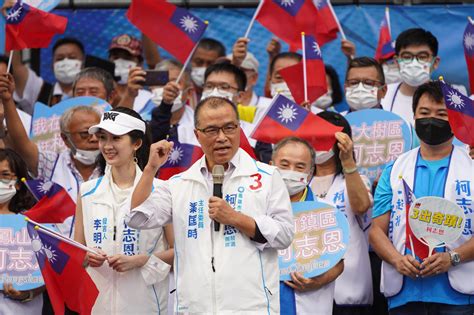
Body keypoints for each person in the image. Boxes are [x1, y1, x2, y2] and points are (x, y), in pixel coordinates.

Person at [126, 96, 294, 313]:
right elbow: (138, 218)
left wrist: (236, 219)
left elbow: (285, 235)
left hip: (250, 307)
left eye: (229, 128)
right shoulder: (180, 183)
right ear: (197, 134)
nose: (222, 137)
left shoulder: (267, 176)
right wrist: (150, 169)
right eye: (212, 130)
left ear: (239, 128)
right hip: (195, 307)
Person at [369, 81, 474, 315]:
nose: (432, 120)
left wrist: (453, 257)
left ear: (455, 119)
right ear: (414, 116)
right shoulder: (394, 169)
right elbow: (376, 230)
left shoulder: (471, 167)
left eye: (442, 114)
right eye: (424, 113)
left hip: (459, 298)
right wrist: (397, 259)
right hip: (405, 296)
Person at [74, 107, 173, 314]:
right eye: (102, 138)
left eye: (116, 138)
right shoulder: (87, 191)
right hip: (98, 305)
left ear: (137, 143)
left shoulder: (163, 190)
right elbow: (77, 251)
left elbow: (181, 252)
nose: (107, 146)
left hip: (147, 305)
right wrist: (87, 257)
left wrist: (141, 260)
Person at [1, 73, 102, 236]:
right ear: (65, 138)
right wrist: (7, 100)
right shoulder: (51, 163)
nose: (94, 139)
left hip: (104, 255)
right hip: (60, 255)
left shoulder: (113, 165)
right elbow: (21, 144)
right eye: (85, 134)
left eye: (99, 133)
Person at [271, 136, 344, 315]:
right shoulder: (255, 209)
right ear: (271, 165)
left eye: (300, 167)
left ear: (310, 172)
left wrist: (318, 281)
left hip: (310, 304)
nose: (291, 171)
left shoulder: (326, 212)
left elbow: (338, 263)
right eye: (284, 164)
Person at [310, 111, 374, 314]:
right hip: (309, 289)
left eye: (326, 137)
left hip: (350, 290)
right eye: (314, 136)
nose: (318, 143)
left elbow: (361, 205)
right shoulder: (299, 181)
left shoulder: (355, 180)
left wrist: (348, 162)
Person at [0, 149, 44, 314]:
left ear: (18, 183)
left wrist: (27, 293)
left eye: (5, 175)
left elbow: (46, 275)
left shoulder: (33, 225)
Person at [381, 28, 440, 127]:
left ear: (435, 62)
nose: (414, 63)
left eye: (422, 57)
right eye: (407, 57)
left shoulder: (449, 98)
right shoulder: (383, 95)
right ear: (396, 61)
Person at [12, 37, 85, 113]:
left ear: (83, 64)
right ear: (52, 66)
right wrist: (13, 32)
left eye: (72, 57)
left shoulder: (91, 93)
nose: (65, 62)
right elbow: (15, 67)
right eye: (60, 58)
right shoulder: (39, 91)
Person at [149, 59, 196, 144]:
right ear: (151, 87)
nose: (168, 87)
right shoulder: (139, 118)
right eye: (162, 81)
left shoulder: (198, 125)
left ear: (189, 92)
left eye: (175, 82)